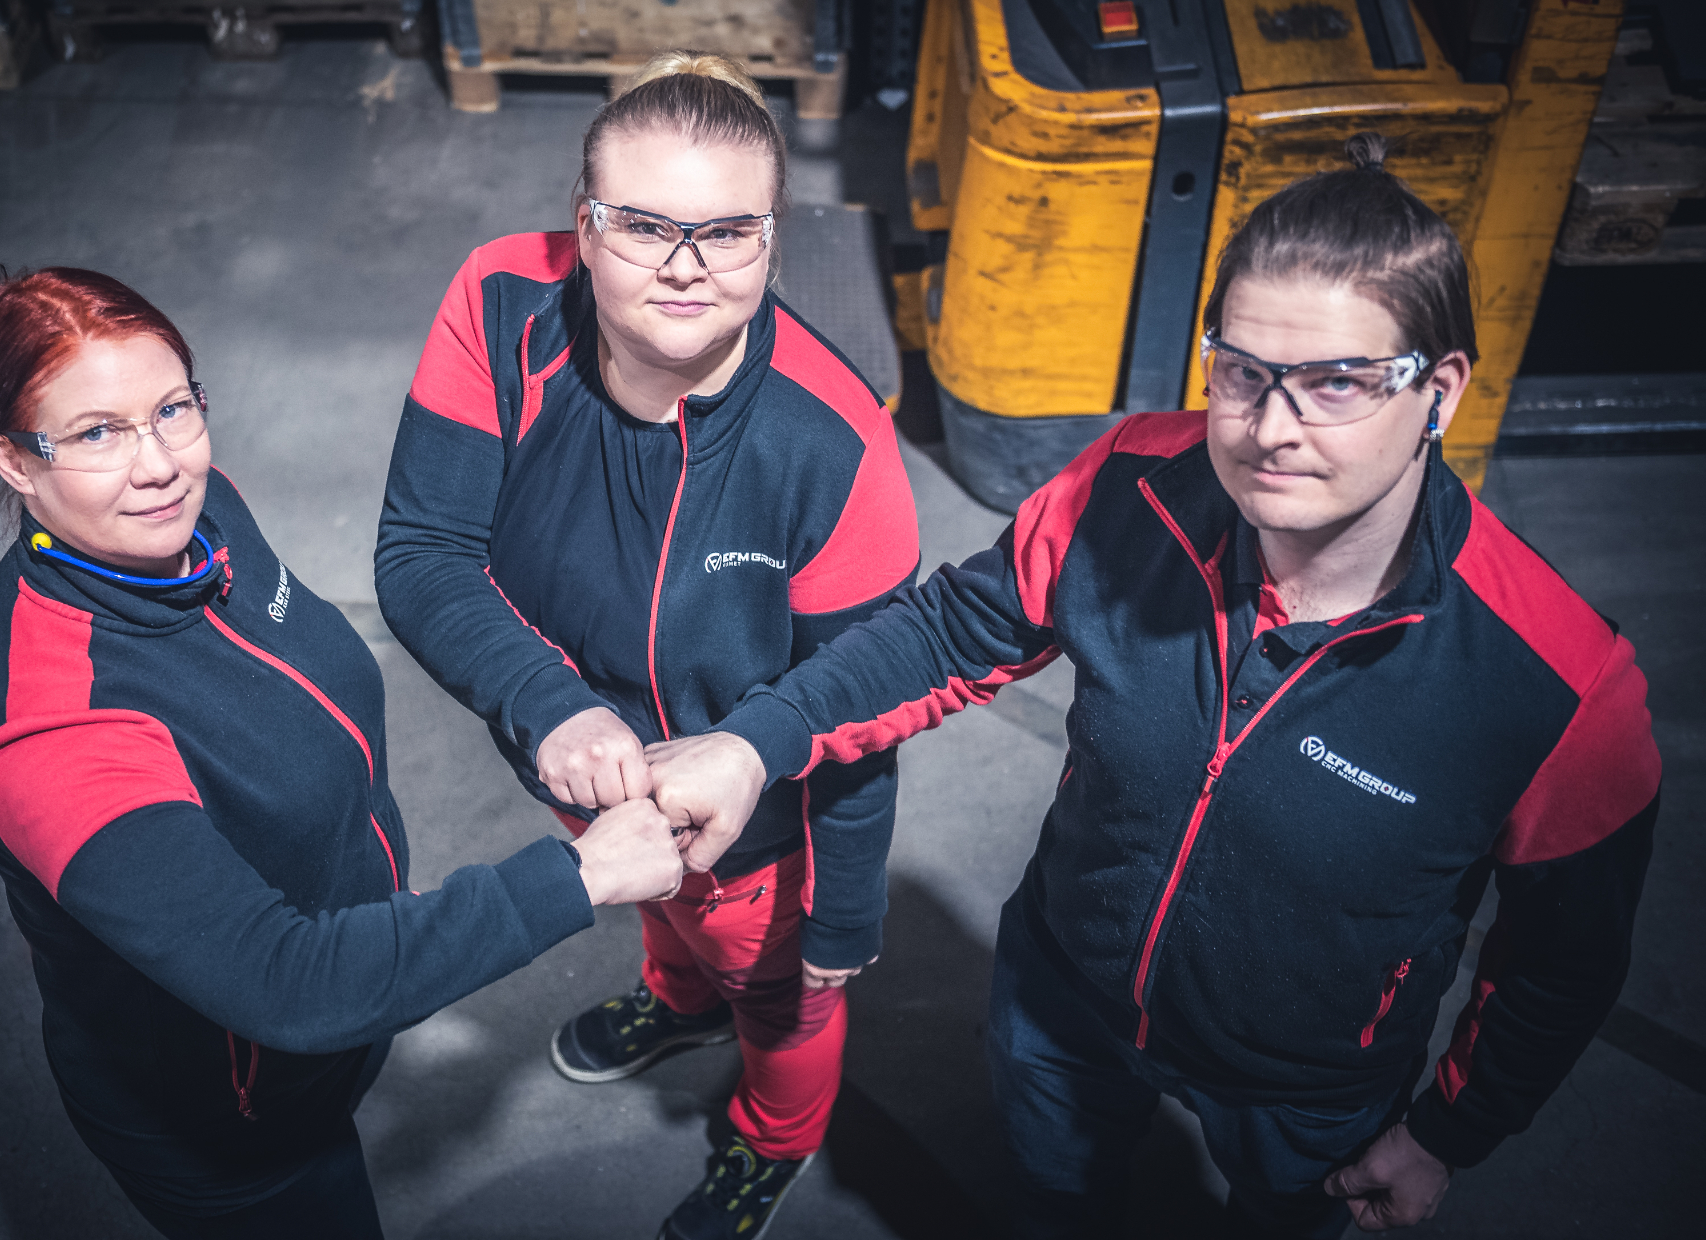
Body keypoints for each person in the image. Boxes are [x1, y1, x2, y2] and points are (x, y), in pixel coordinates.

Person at [644, 134, 1661, 1237]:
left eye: (1335, 383)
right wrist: (756, 740)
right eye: (1243, 373)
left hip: (1307, 1087)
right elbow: (950, 631)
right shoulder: (1132, 485)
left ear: (1439, 392)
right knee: (1057, 1201)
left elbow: (1559, 965)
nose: (1271, 430)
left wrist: (1447, 1132)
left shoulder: (1560, 681)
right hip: (1063, 995)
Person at [0, 267, 684, 1239]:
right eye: (95, 434)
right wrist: (578, 876)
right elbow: (289, 984)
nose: (159, 464)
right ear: (12, 460)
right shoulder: (50, 728)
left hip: (341, 1017)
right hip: (235, 1125)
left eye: (172, 409)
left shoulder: (202, 517)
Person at [376, 53, 920, 1238]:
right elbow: (424, 550)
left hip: (754, 824)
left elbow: (861, 708)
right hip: (575, 761)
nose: (684, 265)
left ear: (771, 238)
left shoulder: (834, 443)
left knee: (778, 1000)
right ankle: (678, 1001)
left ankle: (774, 1138)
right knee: (666, 919)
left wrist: (842, 912)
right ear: (582, 226)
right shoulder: (499, 303)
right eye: (642, 226)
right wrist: (550, 706)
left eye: (726, 232)